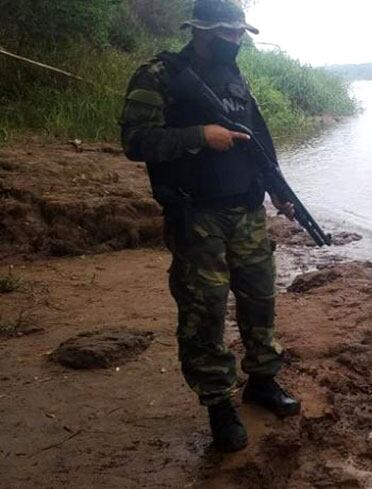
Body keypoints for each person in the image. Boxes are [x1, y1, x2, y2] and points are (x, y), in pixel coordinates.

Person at [119, 0, 299, 453]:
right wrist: (200, 136)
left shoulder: (234, 77)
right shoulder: (159, 75)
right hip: (195, 214)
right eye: (227, 34)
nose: (236, 41)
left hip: (246, 211)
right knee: (205, 310)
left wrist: (279, 190)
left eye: (240, 34)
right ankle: (219, 404)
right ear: (200, 31)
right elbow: (135, 142)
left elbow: (255, 137)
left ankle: (262, 380)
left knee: (260, 299)